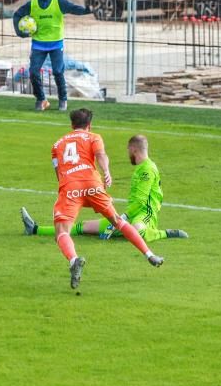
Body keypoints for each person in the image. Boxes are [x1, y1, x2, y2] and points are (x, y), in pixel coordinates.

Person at [46, 108, 164, 290]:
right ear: (89, 125)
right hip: (93, 183)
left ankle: (74, 260)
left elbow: (57, 170)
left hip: (70, 186)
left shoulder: (57, 145)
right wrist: (106, 171)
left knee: (62, 232)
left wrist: (66, 186)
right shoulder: (94, 137)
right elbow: (101, 155)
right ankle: (150, 255)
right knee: (118, 221)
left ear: (71, 125)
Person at [20, 133, 189, 242]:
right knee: (85, 227)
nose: (127, 153)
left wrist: (120, 218)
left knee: (138, 231)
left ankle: (166, 233)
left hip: (145, 214)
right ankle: (35, 229)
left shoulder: (147, 170)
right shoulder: (140, 167)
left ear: (133, 149)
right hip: (130, 214)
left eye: (128, 150)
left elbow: (141, 202)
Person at [13, 0, 92, 112]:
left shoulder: (58, 2)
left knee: (57, 71)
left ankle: (63, 99)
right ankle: (41, 99)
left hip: (56, 44)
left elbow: (74, 8)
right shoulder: (32, 4)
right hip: (38, 44)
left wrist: (88, 10)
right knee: (33, 72)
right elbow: (17, 15)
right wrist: (20, 33)